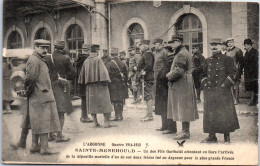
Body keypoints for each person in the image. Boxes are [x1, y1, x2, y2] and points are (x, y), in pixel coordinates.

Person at [23, 39, 61, 154]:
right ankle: (44, 148)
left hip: (41, 95)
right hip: (40, 95)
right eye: (42, 47)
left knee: (37, 120)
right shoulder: (34, 60)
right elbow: (30, 79)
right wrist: (29, 92)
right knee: (43, 121)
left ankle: (34, 146)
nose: (45, 50)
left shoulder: (39, 59)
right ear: (36, 47)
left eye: (46, 48)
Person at [201, 38, 239, 143]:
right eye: (212, 45)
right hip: (210, 91)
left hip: (223, 92)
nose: (213, 47)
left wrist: (224, 85)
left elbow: (234, 74)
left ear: (221, 46)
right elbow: (203, 74)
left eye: (216, 45)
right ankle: (211, 136)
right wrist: (205, 84)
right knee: (210, 113)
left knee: (225, 114)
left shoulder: (228, 59)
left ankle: (227, 137)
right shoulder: (207, 60)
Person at [166, 35, 199, 140]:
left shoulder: (181, 54)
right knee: (183, 106)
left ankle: (185, 132)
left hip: (182, 83)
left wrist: (168, 76)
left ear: (179, 42)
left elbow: (179, 71)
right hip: (184, 82)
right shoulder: (183, 52)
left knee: (183, 107)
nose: (170, 45)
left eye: (172, 42)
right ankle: (184, 130)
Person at [45, 40, 77, 142]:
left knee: (50, 111)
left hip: (49, 87)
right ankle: (59, 135)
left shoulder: (47, 58)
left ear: (54, 47)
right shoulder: (65, 58)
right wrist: (64, 78)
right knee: (60, 111)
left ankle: (50, 134)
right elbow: (73, 73)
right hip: (61, 88)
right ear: (63, 48)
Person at [78, 44, 115, 128]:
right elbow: (104, 73)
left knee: (92, 104)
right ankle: (107, 122)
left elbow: (82, 76)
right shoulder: (98, 60)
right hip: (100, 85)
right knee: (105, 103)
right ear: (97, 51)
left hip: (90, 87)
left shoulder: (86, 61)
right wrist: (106, 82)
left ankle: (95, 122)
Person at [155, 40, 176, 134]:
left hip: (166, 86)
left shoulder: (171, 60)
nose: (166, 52)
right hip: (162, 86)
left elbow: (167, 73)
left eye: (167, 50)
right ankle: (164, 126)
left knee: (168, 107)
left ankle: (171, 128)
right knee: (162, 106)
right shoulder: (168, 59)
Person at [106, 48, 128, 121]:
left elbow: (107, 75)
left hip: (113, 84)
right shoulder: (122, 63)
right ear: (117, 54)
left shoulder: (109, 64)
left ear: (111, 55)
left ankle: (117, 116)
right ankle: (120, 116)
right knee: (121, 99)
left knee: (115, 99)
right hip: (121, 84)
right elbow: (126, 75)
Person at [74, 44, 94, 123]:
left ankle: (83, 116)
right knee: (86, 99)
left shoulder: (77, 58)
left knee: (84, 99)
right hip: (86, 82)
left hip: (79, 82)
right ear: (88, 50)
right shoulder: (87, 59)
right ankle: (85, 117)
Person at [137, 40, 155, 122]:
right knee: (147, 96)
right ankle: (148, 114)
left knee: (148, 96)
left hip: (147, 77)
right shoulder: (146, 53)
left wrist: (142, 72)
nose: (139, 47)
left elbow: (149, 65)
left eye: (140, 45)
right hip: (146, 77)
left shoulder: (147, 54)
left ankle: (150, 115)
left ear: (145, 46)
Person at [226, 38, 244, 105]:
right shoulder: (227, 50)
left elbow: (241, 62)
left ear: (233, 42)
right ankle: (233, 99)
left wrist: (239, 71)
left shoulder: (238, 50)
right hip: (228, 71)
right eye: (228, 42)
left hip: (236, 71)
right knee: (230, 84)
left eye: (231, 42)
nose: (229, 44)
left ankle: (236, 99)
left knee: (235, 85)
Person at [242, 39, 258, 106]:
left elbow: (255, 64)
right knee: (252, 87)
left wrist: (252, 72)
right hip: (248, 72)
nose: (244, 46)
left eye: (245, 45)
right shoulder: (247, 52)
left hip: (253, 73)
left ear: (249, 45)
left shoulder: (254, 52)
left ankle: (253, 101)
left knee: (254, 87)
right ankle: (253, 101)